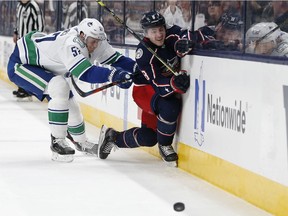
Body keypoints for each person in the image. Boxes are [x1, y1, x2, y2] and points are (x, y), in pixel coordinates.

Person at [7, 18, 136, 162]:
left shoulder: (94, 39)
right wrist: (113, 75)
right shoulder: (70, 44)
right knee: (60, 87)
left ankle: (81, 142)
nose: (95, 45)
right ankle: (57, 142)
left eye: (98, 41)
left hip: (45, 65)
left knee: (69, 102)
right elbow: (85, 73)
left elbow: (116, 60)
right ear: (82, 36)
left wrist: (139, 69)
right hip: (21, 64)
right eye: (93, 42)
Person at [97, 11, 210, 166]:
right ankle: (165, 145)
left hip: (158, 88)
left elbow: (186, 36)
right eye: (153, 31)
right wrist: (173, 84)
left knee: (148, 138)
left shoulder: (170, 33)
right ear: (146, 33)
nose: (159, 35)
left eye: (161, 30)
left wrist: (183, 44)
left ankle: (112, 137)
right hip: (145, 91)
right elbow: (158, 85)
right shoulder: (143, 53)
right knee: (170, 105)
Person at [12, 0, 45, 101]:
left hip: (30, 42)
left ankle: (28, 90)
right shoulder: (19, 6)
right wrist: (15, 33)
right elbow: (17, 21)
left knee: (28, 65)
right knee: (19, 64)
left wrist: (36, 40)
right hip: (21, 41)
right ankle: (22, 88)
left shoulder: (34, 6)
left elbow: (41, 25)